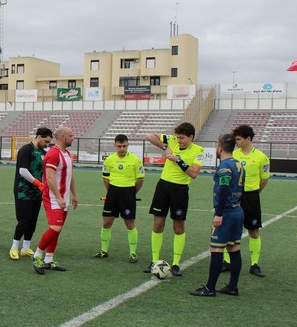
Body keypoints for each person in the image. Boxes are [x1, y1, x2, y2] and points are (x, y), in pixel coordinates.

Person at [145, 122, 205, 276]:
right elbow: (149, 136)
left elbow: (194, 174)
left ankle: (176, 264)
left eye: (182, 138)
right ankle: (154, 261)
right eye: (178, 137)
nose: (179, 140)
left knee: (178, 226)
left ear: (191, 137)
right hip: (163, 186)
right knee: (158, 224)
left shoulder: (199, 151)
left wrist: (178, 160)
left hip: (180, 190)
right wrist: (165, 147)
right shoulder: (171, 140)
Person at [190, 134, 246, 297]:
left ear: (220, 147)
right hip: (237, 210)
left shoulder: (224, 167)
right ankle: (232, 286)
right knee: (234, 248)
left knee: (216, 249)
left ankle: (209, 288)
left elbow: (223, 190)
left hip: (227, 213)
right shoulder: (239, 164)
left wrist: (219, 214)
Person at [224, 124, 270, 276]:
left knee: (253, 231)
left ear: (248, 139)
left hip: (251, 197)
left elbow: (264, 179)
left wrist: (254, 192)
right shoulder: (233, 155)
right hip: (234, 196)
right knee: (228, 228)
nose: (235, 142)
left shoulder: (262, 157)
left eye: (238, 139)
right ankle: (227, 262)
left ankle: (254, 264)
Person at [32, 126, 79, 274]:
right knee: (55, 227)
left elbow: (70, 176)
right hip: (53, 198)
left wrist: (74, 194)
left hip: (63, 198)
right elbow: (50, 177)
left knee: (57, 230)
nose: (73, 138)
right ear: (63, 137)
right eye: (71, 135)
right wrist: (58, 197)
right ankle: (37, 256)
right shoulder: (53, 154)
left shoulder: (67, 154)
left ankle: (49, 260)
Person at [97, 134, 145, 263]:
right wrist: (112, 192)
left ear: (128, 145)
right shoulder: (109, 160)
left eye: (124, 146)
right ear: (115, 145)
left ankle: (133, 253)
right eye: (119, 146)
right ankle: (103, 251)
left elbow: (140, 179)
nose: (122, 149)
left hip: (128, 192)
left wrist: (131, 193)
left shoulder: (135, 160)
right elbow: (105, 178)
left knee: (129, 223)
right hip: (112, 192)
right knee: (106, 222)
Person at [10, 127, 53, 260]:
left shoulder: (43, 152)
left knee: (33, 221)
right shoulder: (26, 150)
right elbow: (23, 171)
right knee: (24, 220)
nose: (47, 144)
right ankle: (14, 247)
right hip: (23, 191)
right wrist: (38, 183)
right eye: (46, 141)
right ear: (39, 136)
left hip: (37, 192)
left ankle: (26, 247)